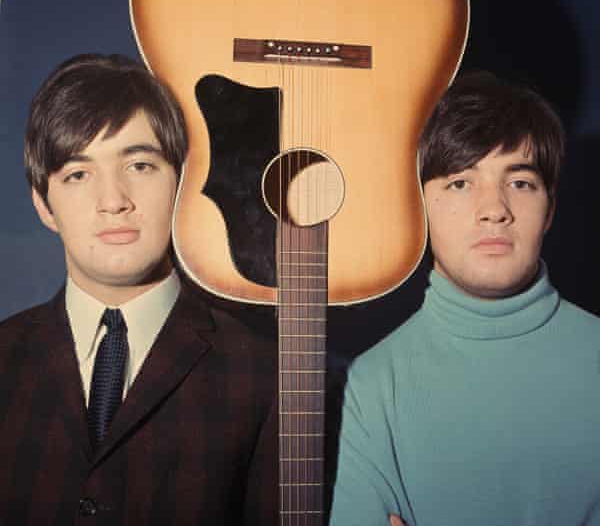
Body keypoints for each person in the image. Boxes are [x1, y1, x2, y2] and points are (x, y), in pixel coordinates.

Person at [0, 54, 277, 525]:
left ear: (182, 181)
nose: (113, 201)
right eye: (78, 174)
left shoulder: (266, 377)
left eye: (141, 166)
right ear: (44, 205)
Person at [329, 72, 600, 525]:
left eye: (520, 183)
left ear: (550, 208)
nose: (493, 208)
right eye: (460, 183)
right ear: (418, 206)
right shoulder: (374, 383)